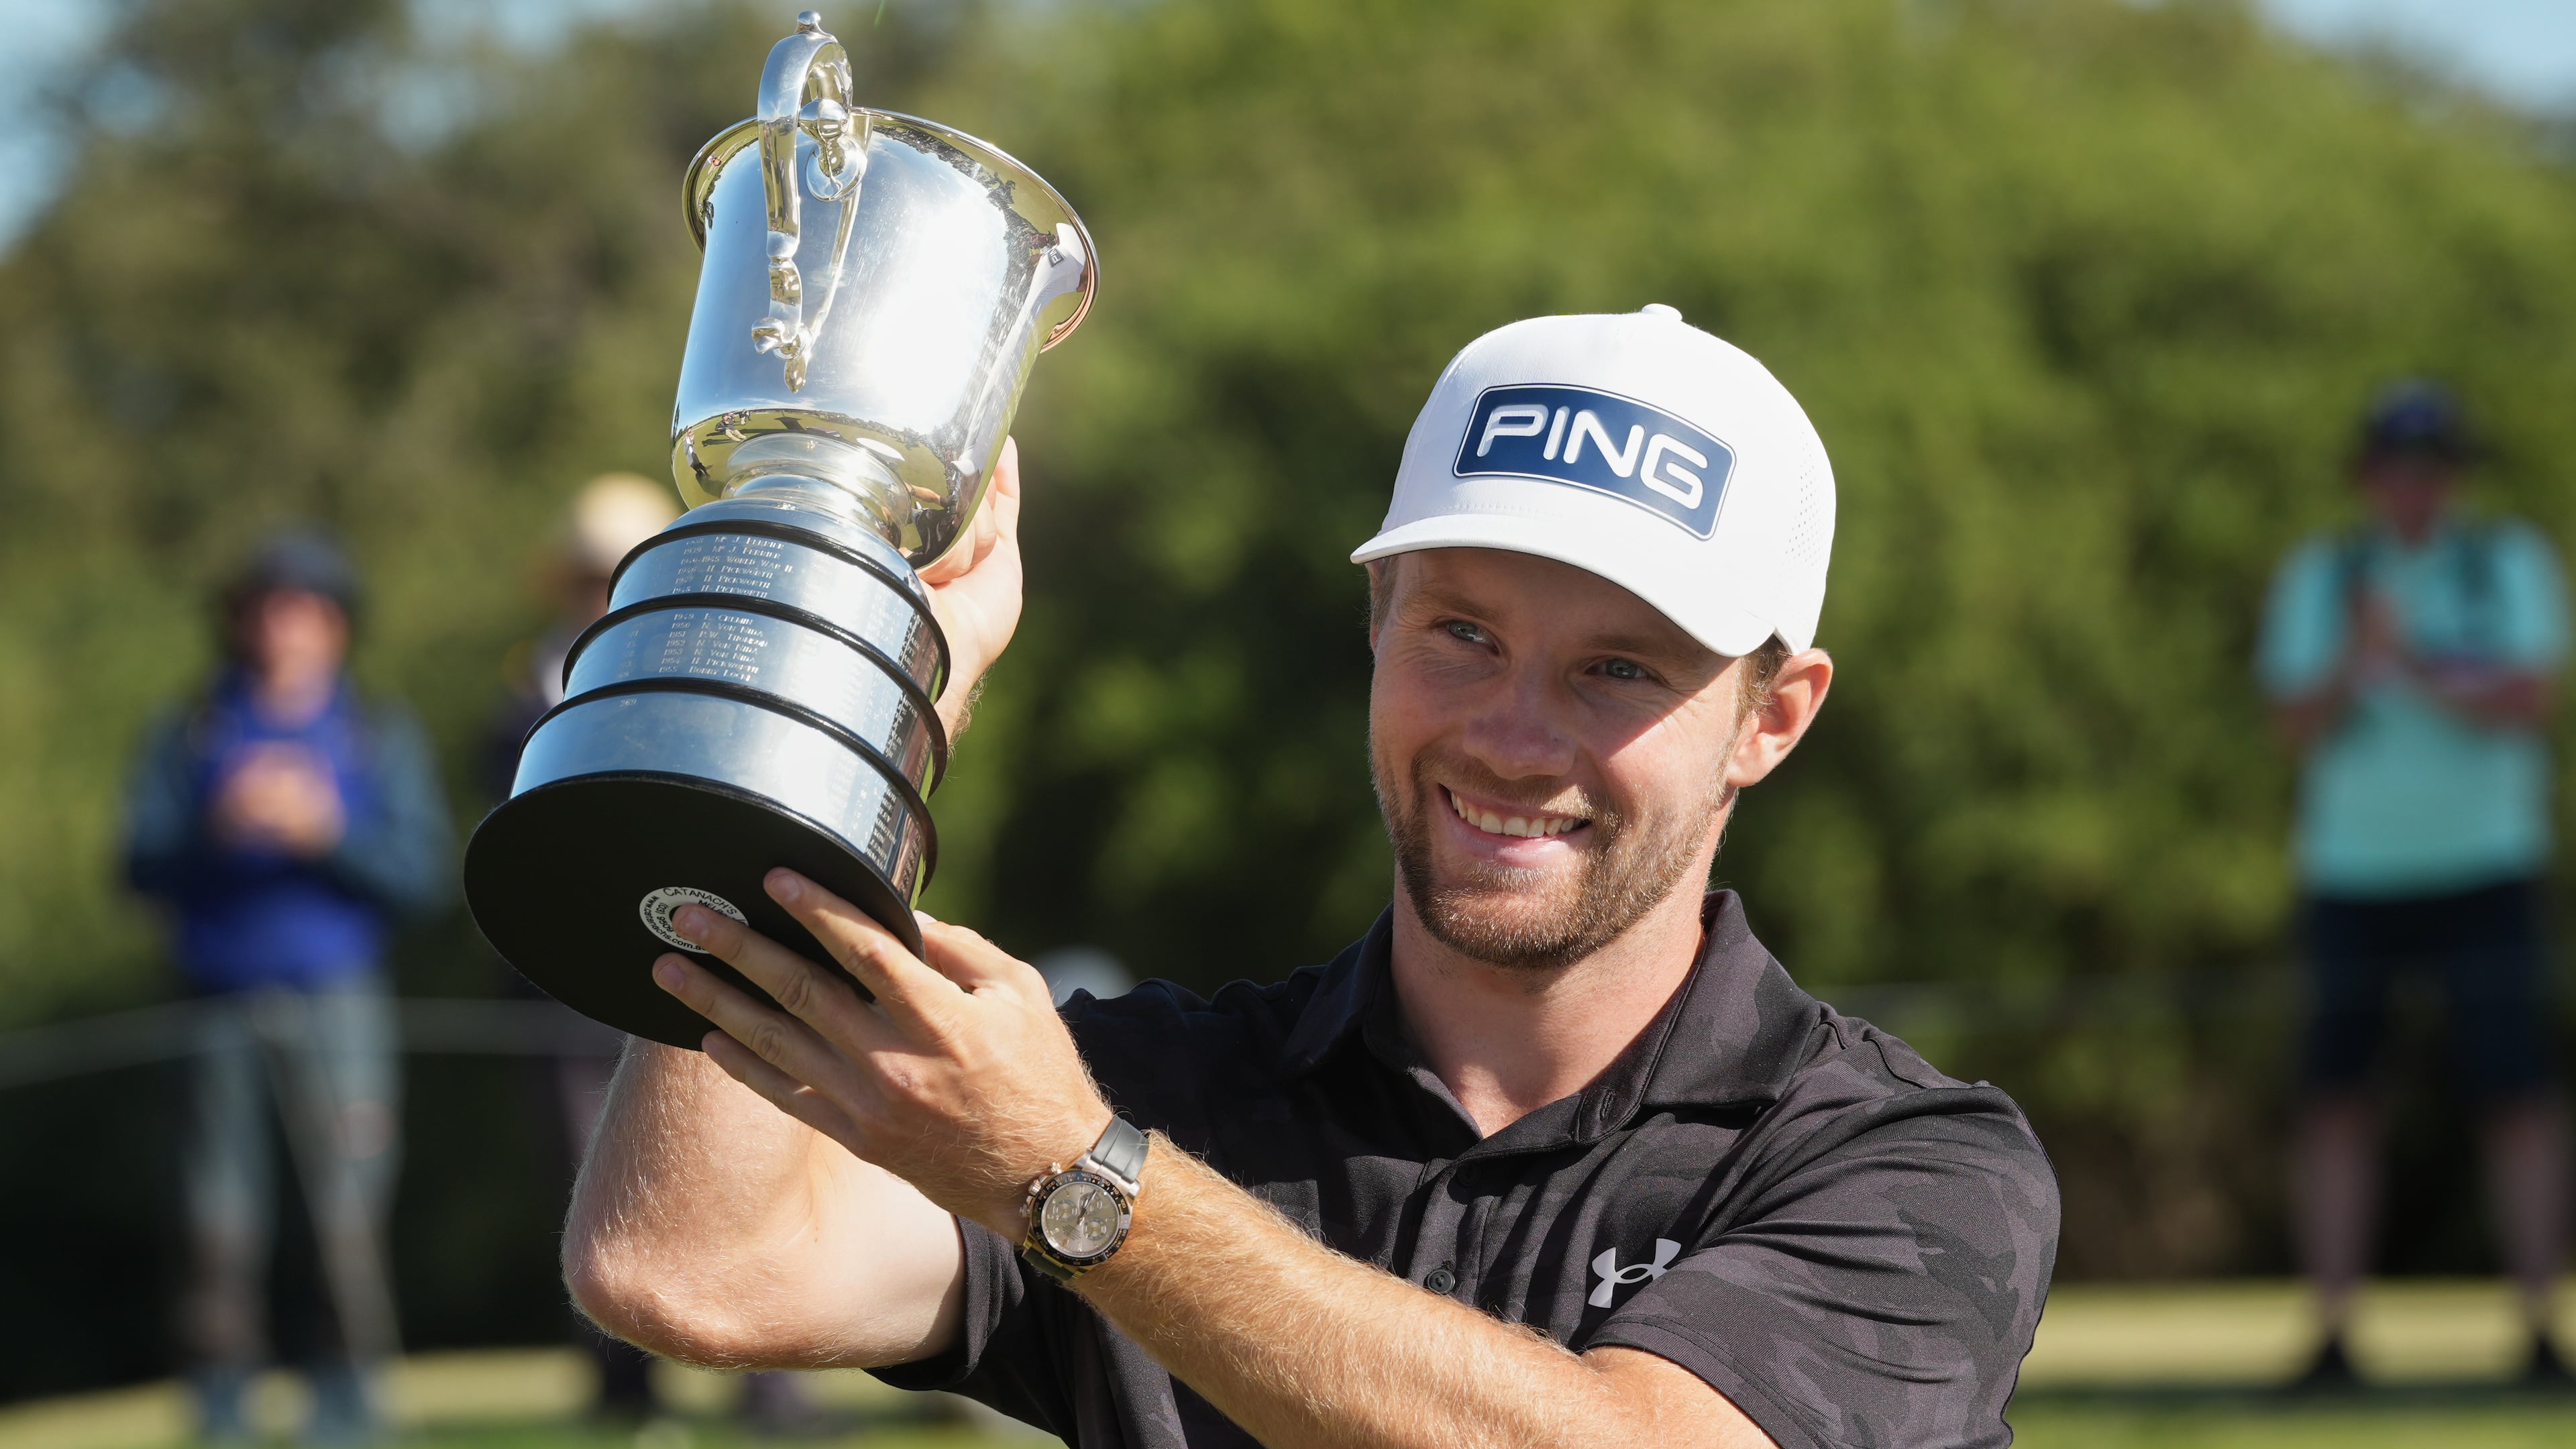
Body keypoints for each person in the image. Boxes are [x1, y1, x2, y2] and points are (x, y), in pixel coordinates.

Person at [562, 309, 2061, 1448]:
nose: (1512, 734)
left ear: (1773, 719)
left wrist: (1081, 1187)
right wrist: (867, 696)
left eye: (1618, 668)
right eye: (1459, 632)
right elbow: (691, 1263)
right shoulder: (1157, 1096)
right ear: (1374, 621)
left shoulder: (1911, 1168)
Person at [2258, 379, 2571, 1388]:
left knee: (2516, 1098)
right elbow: (2294, 726)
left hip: (2488, 866)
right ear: (2368, 475)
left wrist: (2415, 660)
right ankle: (2334, 1333)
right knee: (2337, 1102)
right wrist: (2359, 653)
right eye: (2396, 466)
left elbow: (2528, 699)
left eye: (2432, 468)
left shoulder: (2504, 562)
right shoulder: (2325, 573)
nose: (2414, 487)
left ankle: (2538, 1326)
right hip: (2352, 875)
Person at [122, 529, 453, 1444]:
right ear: (237, 621)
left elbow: (422, 877)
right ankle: (220, 1406)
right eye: (266, 606)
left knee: (345, 1210)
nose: (283, 625)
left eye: (304, 607)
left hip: (339, 999)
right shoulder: (187, 728)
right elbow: (136, 866)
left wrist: (323, 832)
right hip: (214, 999)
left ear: (337, 625)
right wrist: (215, 828)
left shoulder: (374, 731)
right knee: (213, 1214)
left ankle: (347, 1406)